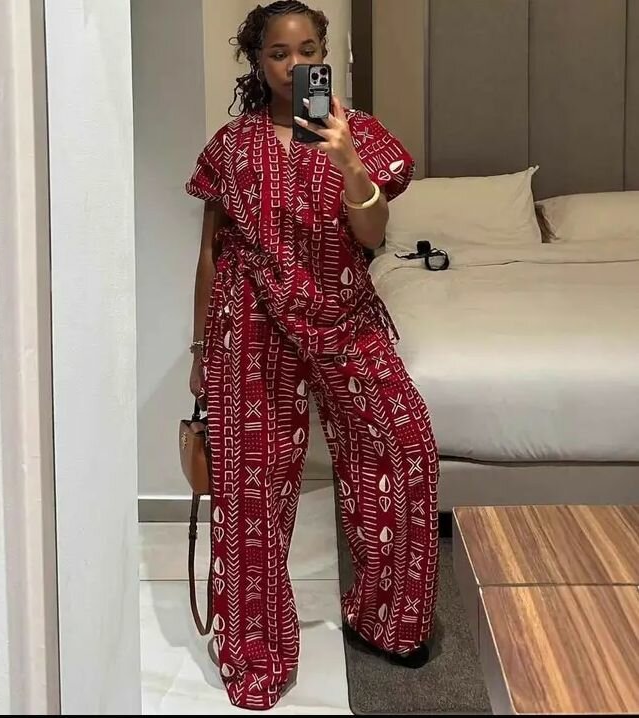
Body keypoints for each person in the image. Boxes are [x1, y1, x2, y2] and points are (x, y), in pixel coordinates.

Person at [185, 0, 439, 710]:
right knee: (251, 487)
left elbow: (371, 235)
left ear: (324, 55)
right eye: (278, 53)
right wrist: (200, 348)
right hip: (248, 323)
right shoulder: (231, 147)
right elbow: (208, 255)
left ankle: (388, 621)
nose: (293, 65)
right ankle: (255, 654)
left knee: (403, 447)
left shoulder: (362, 136)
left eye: (307, 51)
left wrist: (347, 161)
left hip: (343, 313)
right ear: (257, 61)